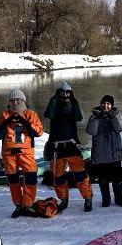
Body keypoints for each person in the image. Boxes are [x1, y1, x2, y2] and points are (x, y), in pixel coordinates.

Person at [0, 88, 45, 218]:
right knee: (13, 180)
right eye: (12, 100)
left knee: (31, 178)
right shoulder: (5, 115)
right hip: (9, 153)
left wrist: (24, 122)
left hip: (26, 152)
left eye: (18, 100)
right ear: (9, 102)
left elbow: (38, 132)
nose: (15, 102)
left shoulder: (31, 114)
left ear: (23, 101)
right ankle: (18, 204)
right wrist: (6, 122)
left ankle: (27, 204)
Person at [43, 81, 94, 212]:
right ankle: (63, 199)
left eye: (67, 93)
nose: (64, 95)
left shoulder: (73, 104)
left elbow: (79, 117)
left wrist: (70, 102)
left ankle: (87, 198)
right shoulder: (54, 104)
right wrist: (55, 99)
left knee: (80, 174)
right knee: (58, 176)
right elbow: (48, 114)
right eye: (62, 93)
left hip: (71, 144)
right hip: (56, 146)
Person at [86, 94, 122, 207]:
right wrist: (96, 117)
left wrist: (112, 117)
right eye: (104, 103)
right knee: (103, 179)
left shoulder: (117, 115)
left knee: (117, 178)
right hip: (100, 154)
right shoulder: (94, 116)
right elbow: (91, 131)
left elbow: (119, 128)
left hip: (114, 153)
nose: (105, 106)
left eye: (108, 104)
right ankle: (106, 199)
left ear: (112, 105)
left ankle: (119, 198)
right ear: (100, 104)